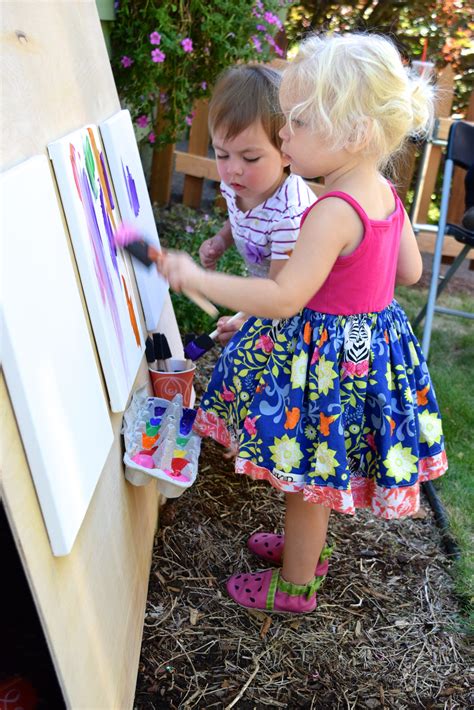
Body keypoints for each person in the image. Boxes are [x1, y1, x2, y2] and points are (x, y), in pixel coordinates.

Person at [158, 33, 448, 614]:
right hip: (372, 347)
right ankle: (302, 552)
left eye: (297, 121)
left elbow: (285, 296)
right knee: (323, 469)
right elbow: (411, 271)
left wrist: (197, 278)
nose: (284, 133)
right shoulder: (384, 194)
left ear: (353, 134)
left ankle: (295, 586)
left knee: (308, 482)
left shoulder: (332, 210)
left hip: (327, 361)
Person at [199, 64, 315, 344]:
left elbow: (279, 295)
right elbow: (240, 216)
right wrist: (222, 239)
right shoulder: (236, 185)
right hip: (266, 292)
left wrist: (246, 323)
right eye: (222, 154)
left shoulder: (290, 216)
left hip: (300, 311)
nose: (233, 170)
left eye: (250, 158)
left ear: (287, 152)